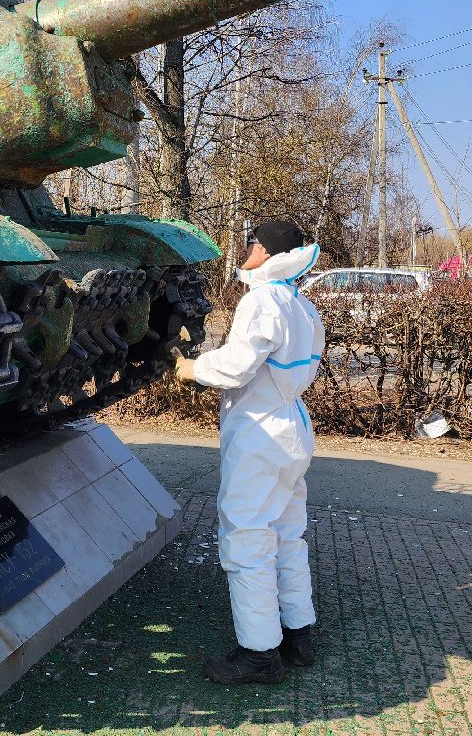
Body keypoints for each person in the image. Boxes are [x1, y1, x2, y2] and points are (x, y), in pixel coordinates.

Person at [172, 218, 325, 684]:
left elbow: (237, 366)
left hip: (259, 436)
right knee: (286, 535)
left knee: (247, 539)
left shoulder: (262, 300)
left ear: (267, 252)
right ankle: (299, 634)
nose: (245, 250)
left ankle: (259, 654)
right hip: (292, 431)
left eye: (250, 242)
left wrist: (190, 369)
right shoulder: (303, 305)